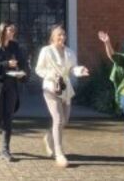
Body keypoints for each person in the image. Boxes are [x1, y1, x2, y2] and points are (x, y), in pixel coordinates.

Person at [34, 25, 89, 168]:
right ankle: (59, 153)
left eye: (63, 34)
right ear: (52, 37)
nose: (62, 37)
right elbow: (39, 69)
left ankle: (49, 137)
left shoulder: (70, 52)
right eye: (59, 34)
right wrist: (51, 75)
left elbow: (72, 69)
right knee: (58, 120)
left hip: (65, 89)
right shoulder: (46, 51)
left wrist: (80, 70)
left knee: (64, 120)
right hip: (51, 88)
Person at [0, 22, 29, 162]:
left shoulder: (15, 46)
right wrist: (7, 64)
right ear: (3, 30)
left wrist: (23, 74)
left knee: (8, 118)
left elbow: (23, 63)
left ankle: (5, 150)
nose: (13, 32)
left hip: (11, 86)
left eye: (14, 30)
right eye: (10, 30)